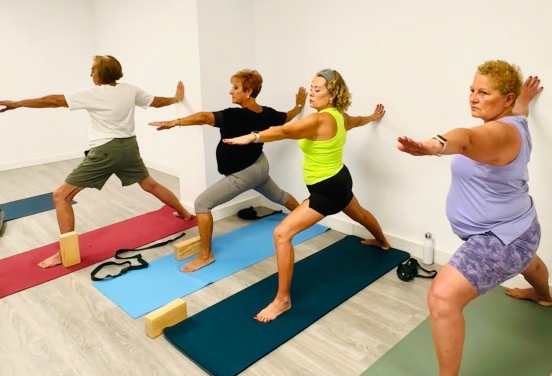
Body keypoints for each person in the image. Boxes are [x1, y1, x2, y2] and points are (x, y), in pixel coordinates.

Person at [397, 61, 552, 376]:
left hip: (499, 237)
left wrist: (433, 146)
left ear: (505, 99)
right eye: (471, 90)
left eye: (483, 93)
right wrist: (525, 99)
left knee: (442, 297)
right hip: (522, 225)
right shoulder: (517, 119)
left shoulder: (498, 133)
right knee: (528, 261)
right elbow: (519, 110)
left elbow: (464, 139)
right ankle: (543, 295)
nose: (473, 98)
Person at [224, 68, 390, 322]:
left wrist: (253, 137)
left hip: (326, 190)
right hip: (340, 179)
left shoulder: (319, 120)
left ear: (332, 94)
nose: (311, 93)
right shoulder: (340, 117)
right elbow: (357, 120)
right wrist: (372, 117)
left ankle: (282, 300)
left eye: (317, 89)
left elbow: (284, 131)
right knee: (360, 214)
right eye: (311, 88)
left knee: (281, 234)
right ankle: (382, 241)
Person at [0, 55, 192, 268]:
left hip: (105, 151)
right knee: (150, 184)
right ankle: (184, 212)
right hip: (129, 147)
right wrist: (176, 99)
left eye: (93, 70)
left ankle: (65, 253)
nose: (90, 73)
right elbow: (156, 102)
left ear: (101, 73)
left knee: (61, 196)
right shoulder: (130, 90)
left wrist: (18, 103)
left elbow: (54, 101)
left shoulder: (92, 94)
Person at [150, 69, 306, 273]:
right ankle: (307, 217)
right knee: (280, 196)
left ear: (248, 92)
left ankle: (205, 256)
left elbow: (204, 117)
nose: (230, 91)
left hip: (245, 174)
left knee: (202, 204)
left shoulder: (235, 115)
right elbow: (285, 118)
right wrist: (299, 106)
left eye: (235, 88)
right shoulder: (266, 113)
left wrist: (175, 122)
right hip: (259, 166)